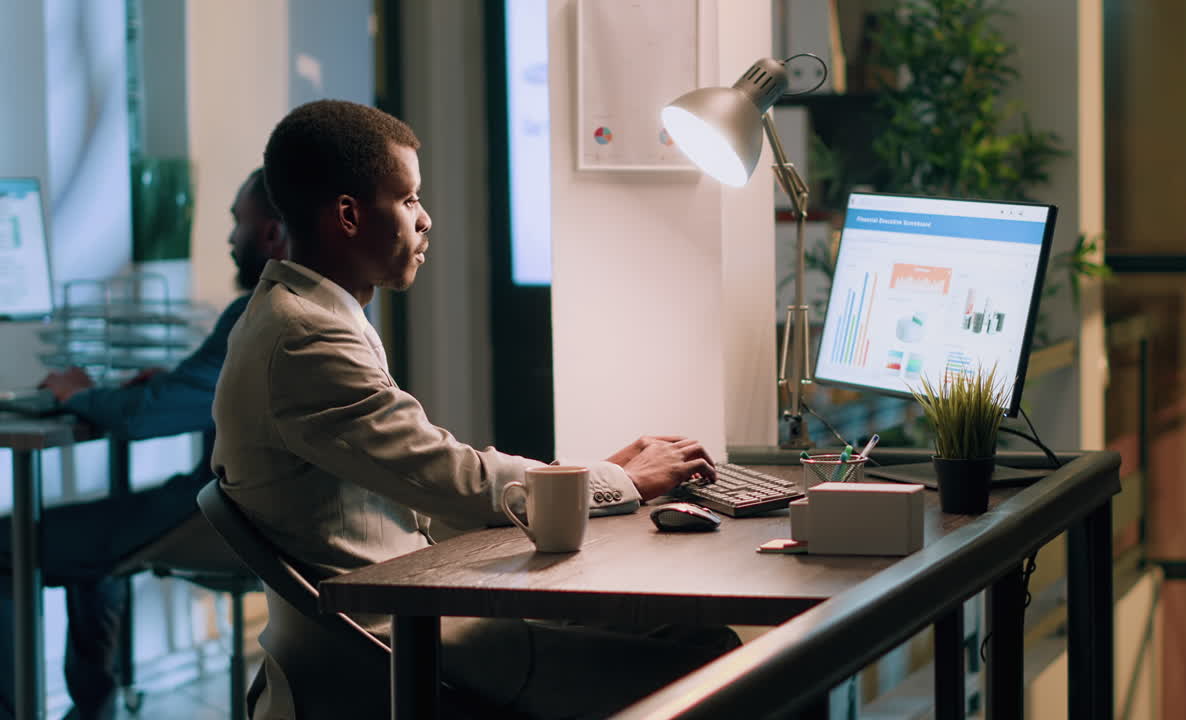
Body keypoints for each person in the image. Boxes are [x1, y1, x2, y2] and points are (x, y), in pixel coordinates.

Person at [211, 99, 739, 719]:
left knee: (687, 634)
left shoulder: (296, 314)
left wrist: (587, 474)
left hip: (406, 613)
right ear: (349, 216)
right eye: (408, 200)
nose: (425, 218)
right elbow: (451, 480)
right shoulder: (305, 337)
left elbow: (424, 476)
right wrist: (621, 480)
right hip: (401, 646)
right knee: (723, 665)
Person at [0, 168, 285, 720]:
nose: (230, 239)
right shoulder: (327, 308)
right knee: (92, 547)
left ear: (272, 235)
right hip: (256, 514)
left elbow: (146, 418)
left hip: (219, 517)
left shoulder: (260, 312)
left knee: (11, 544)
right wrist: (165, 384)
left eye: (237, 224)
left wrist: (80, 394)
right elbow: (193, 393)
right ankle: (94, 711)